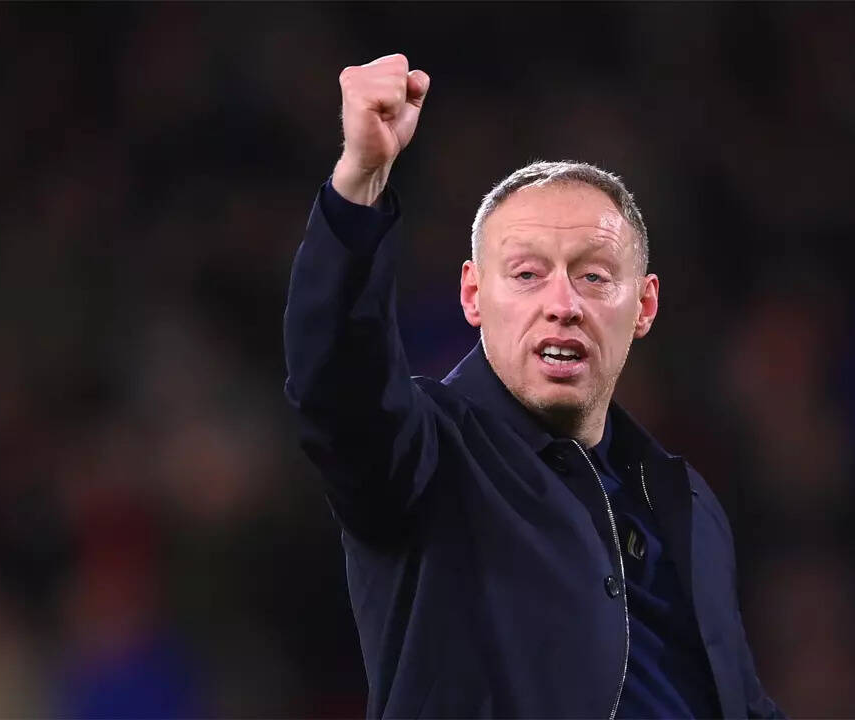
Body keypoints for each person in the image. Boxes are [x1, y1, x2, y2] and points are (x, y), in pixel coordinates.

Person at [283, 53, 782, 719]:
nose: (562, 304)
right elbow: (338, 384)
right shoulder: (426, 457)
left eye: (594, 276)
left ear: (644, 306)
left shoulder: (682, 498)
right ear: (473, 296)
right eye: (526, 275)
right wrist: (360, 181)